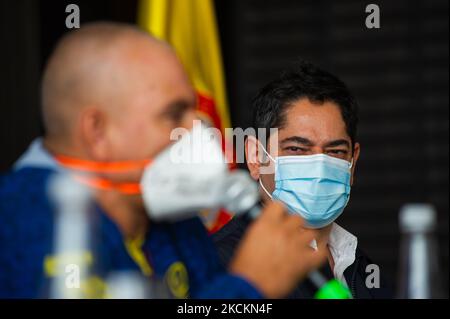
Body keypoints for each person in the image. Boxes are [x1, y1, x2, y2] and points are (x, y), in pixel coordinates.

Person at [0, 23, 326, 299]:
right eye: (173, 114)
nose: (200, 131)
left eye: (195, 111)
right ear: (97, 132)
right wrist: (250, 285)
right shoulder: (28, 223)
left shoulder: (171, 218)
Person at [213, 61, 393, 298]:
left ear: (352, 163)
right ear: (256, 157)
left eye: (336, 152)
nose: (319, 168)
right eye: (297, 149)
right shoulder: (219, 267)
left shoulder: (361, 265)